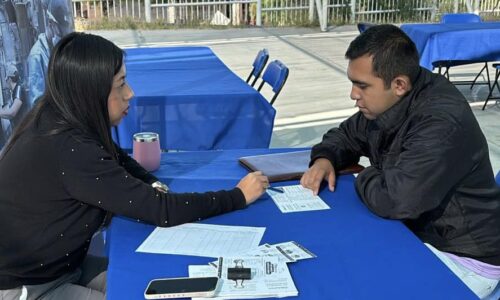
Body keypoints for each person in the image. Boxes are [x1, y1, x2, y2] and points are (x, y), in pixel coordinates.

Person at [0, 32, 269, 300]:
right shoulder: (71, 150)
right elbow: (161, 210)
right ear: (90, 91)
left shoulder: (58, 116)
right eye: (120, 84)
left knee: (150, 281)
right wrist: (238, 196)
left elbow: (116, 157)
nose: (130, 93)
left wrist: (150, 181)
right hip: (31, 286)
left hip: (62, 265)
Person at [301, 24, 500, 299]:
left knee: (350, 284)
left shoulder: (440, 122)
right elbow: (346, 135)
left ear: (399, 84)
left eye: (362, 86)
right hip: (415, 234)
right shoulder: (389, 102)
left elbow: (395, 200)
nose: (353, 95)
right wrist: (324, 158)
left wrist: (367, 173)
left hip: (463, 258)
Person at [27, 0, 73, 109]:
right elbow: (37, 103)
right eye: (59, 33)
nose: (62, 38)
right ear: (50, 23)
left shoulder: (56, 49)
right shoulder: (37, 56)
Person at [0, 64, 27, 131]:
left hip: (24, 129)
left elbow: (12, 112)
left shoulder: (18, 88)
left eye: (6, 79)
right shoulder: (14, 91)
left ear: (9, 79)